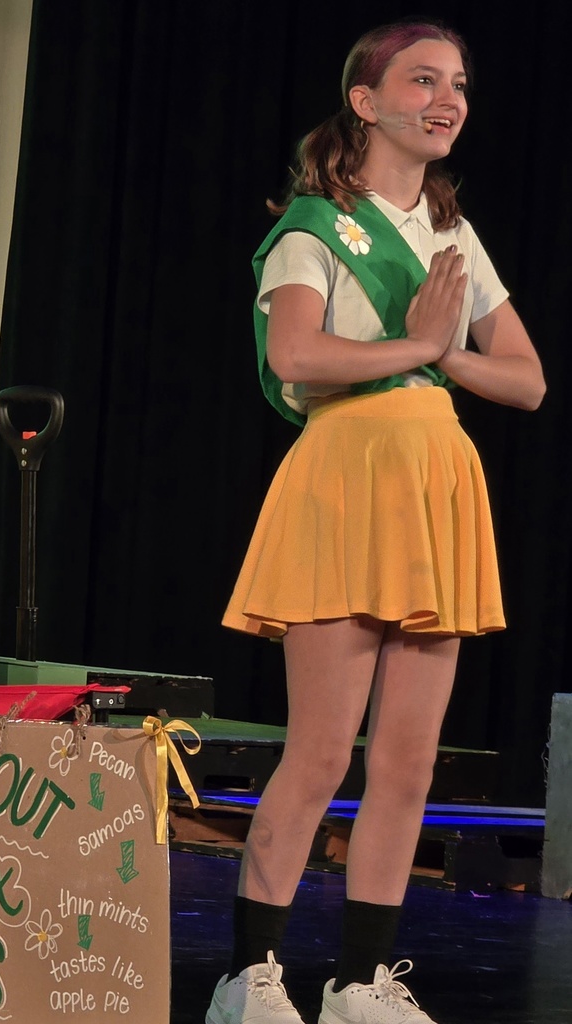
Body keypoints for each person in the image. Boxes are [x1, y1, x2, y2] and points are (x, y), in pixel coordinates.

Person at [205, 19, 545, 1024]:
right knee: (319, 750)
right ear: (364, 100)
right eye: (423, 79)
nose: (448, 98)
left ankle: (359, 983)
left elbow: (523, 380)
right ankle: (249, 976)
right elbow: (298, 358)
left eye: (459, 84)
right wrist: (417, 342)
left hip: (435, 478)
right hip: (346, 476)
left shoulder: (452, 235)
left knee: (406, 760)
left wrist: (436, 354)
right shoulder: (311, 229)